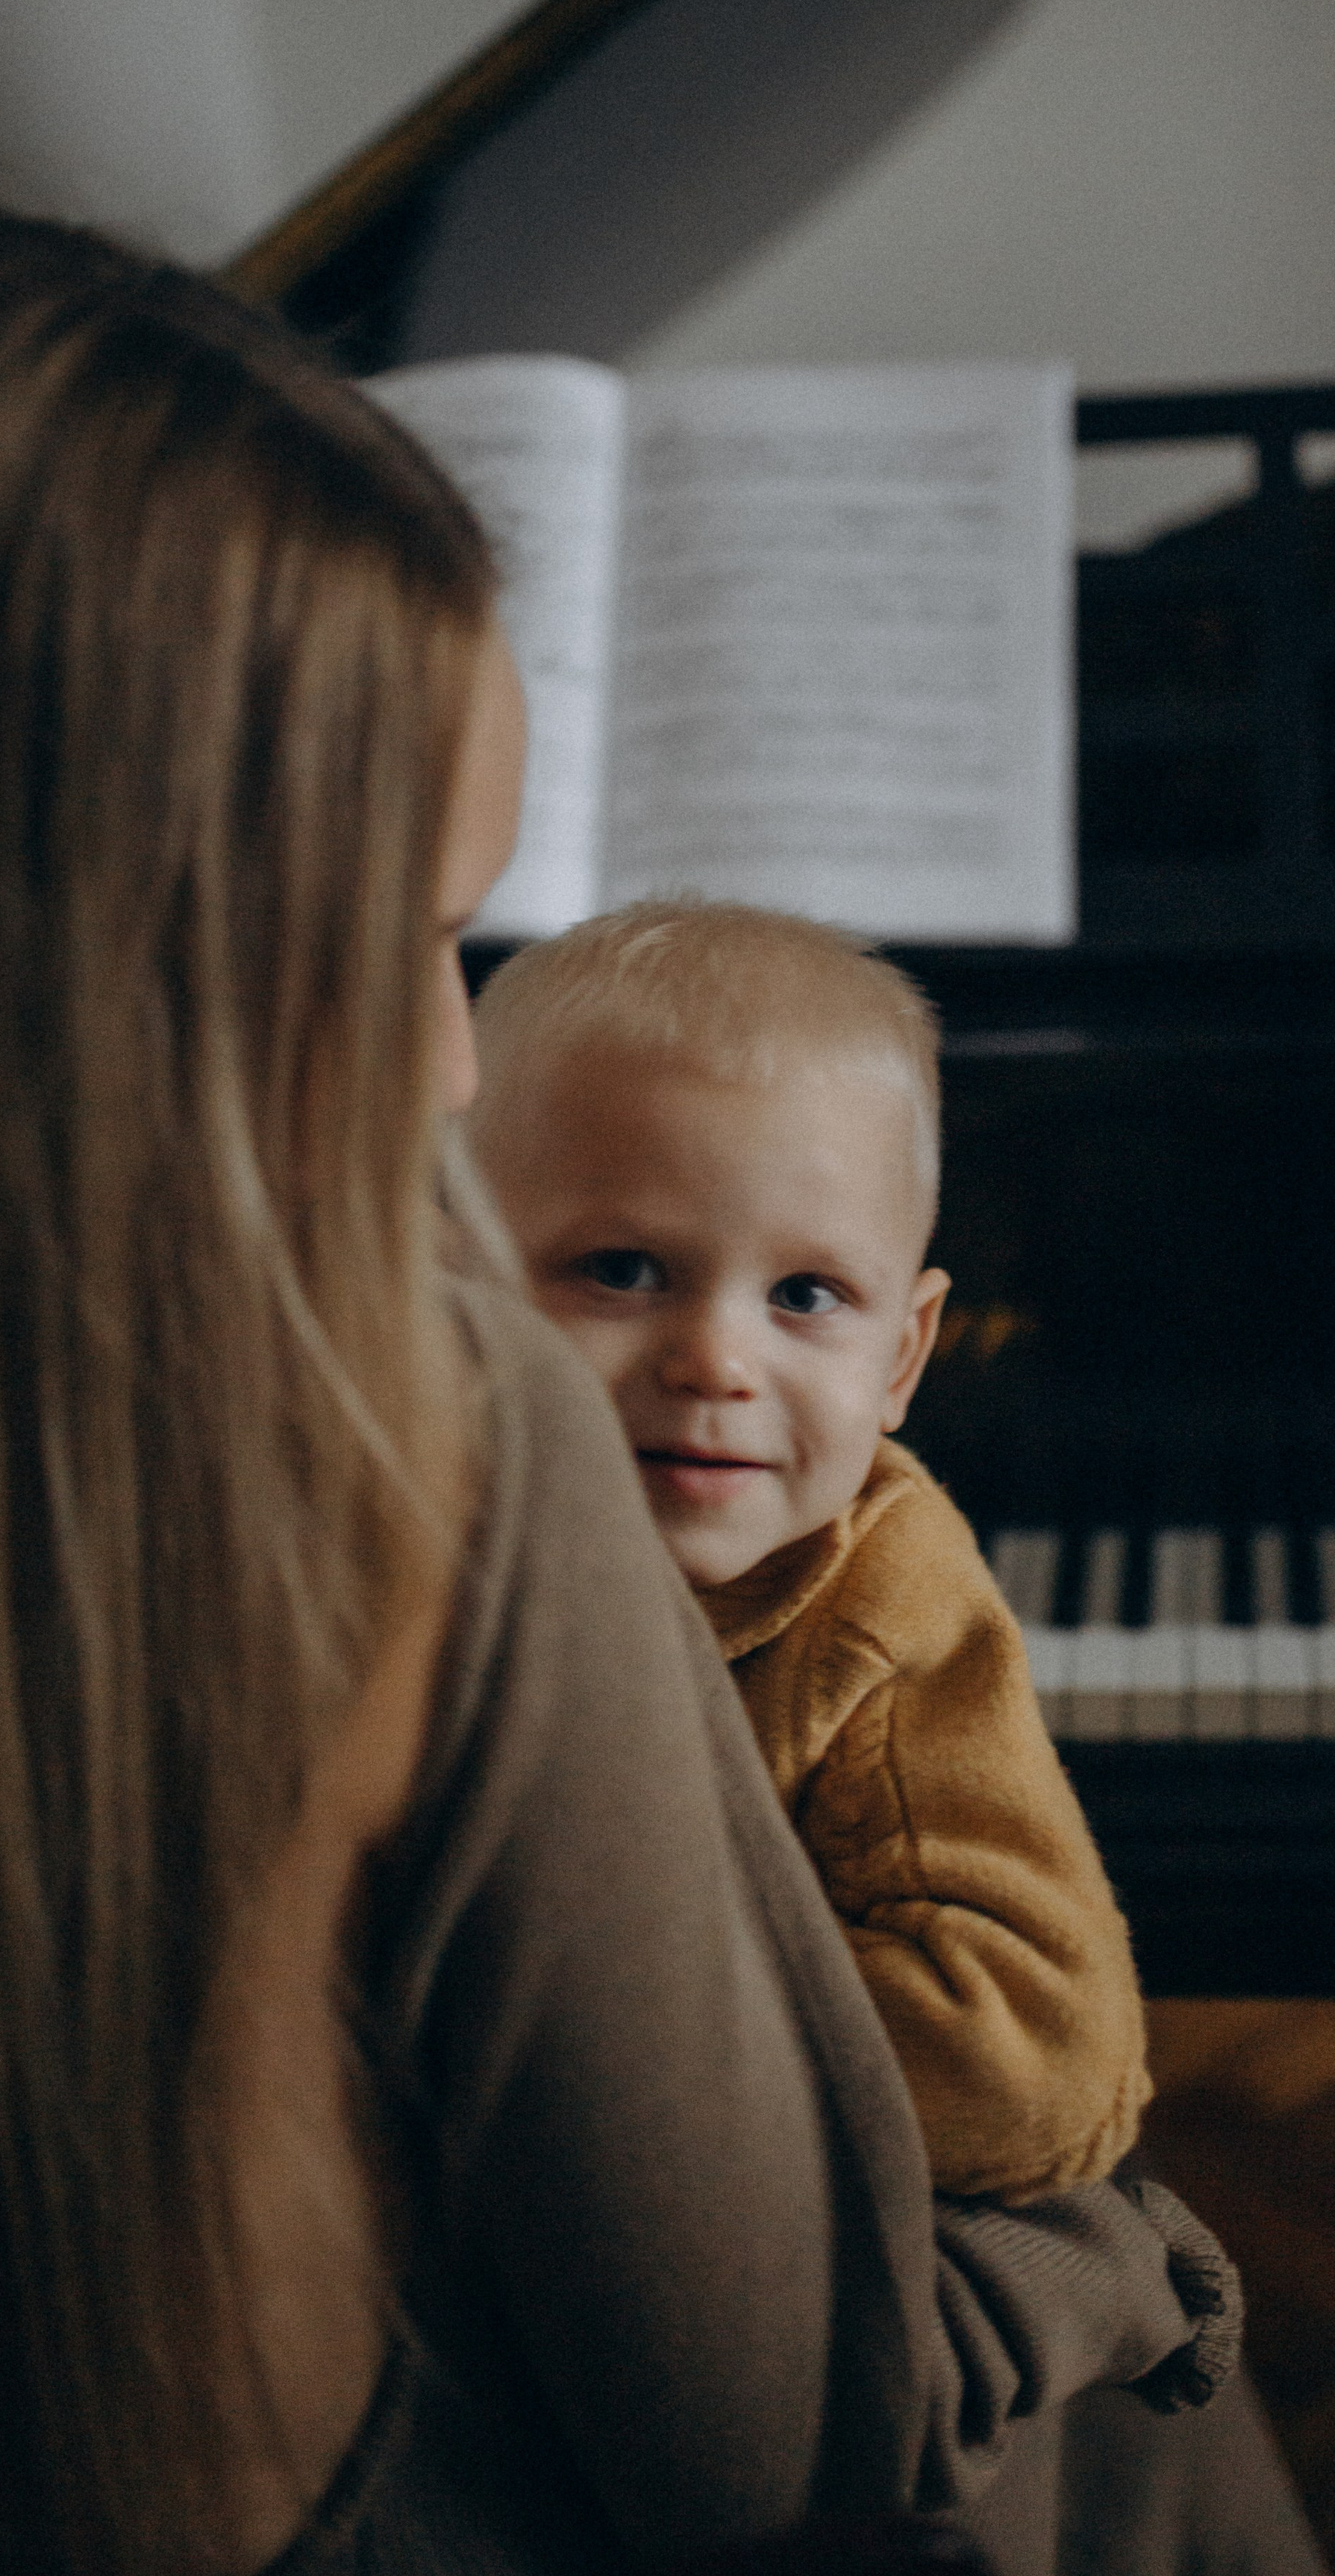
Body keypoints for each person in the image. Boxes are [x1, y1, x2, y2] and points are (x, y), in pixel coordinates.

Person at [0, 213, 1281, 2576]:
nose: (451, 1069)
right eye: (406, 939)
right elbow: (791, 2455)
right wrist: (1119, 2256)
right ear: (121, 946)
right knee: (1161, 2425)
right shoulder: (423, 1428)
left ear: (911, 1334)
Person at [466, 901, 1148, 2207]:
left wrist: (576, 2000)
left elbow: (1038, 2069)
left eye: (805, 1295)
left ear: (903, 1356)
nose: (717, 1362)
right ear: (459, 1272)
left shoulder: (881, 1601)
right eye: (623, 1269)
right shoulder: (408, 1517)